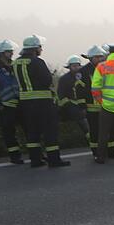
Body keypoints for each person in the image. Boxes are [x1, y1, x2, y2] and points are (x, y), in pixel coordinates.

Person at [14, 35, 70, 167]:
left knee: (32, 132)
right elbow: (47, 80)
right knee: (50, 131)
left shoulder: (15, 63)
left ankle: (35, 160)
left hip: (25, 104)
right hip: (43, 103)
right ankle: (54, 160)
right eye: (40, 47)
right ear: (35, 48)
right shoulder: (37, 62)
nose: (41, 49)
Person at [0, 39, 25, 165]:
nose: (11, 53)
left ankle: (36, 154)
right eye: (8, 51)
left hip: (21, 103)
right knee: (9, 132)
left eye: (11, 51)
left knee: (29, 129)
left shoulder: (15, 65)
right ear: (0, 53)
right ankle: (15, 156)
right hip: (6, 106)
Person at [79, 45, 113, 160]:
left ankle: (112, 151)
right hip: (92, 107)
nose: (99, 60)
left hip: (107, 106)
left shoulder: (107, 68)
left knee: (110, 129)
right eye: (96, 57)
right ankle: (97, 153)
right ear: (90, 58)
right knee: (95, 131)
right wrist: (82, 105)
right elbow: (79, 90)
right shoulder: (83, 71)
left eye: (101, 57)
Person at [57, 55, 90, 141]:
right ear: (69, 67)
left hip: (84, 104)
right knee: (79, 115)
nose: (76, 68)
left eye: (77, 65)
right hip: (70, 105)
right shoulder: (64, 79)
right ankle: (89, 135)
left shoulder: (84, 77)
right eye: (74, 66)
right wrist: (69, 104)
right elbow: (61, 95)